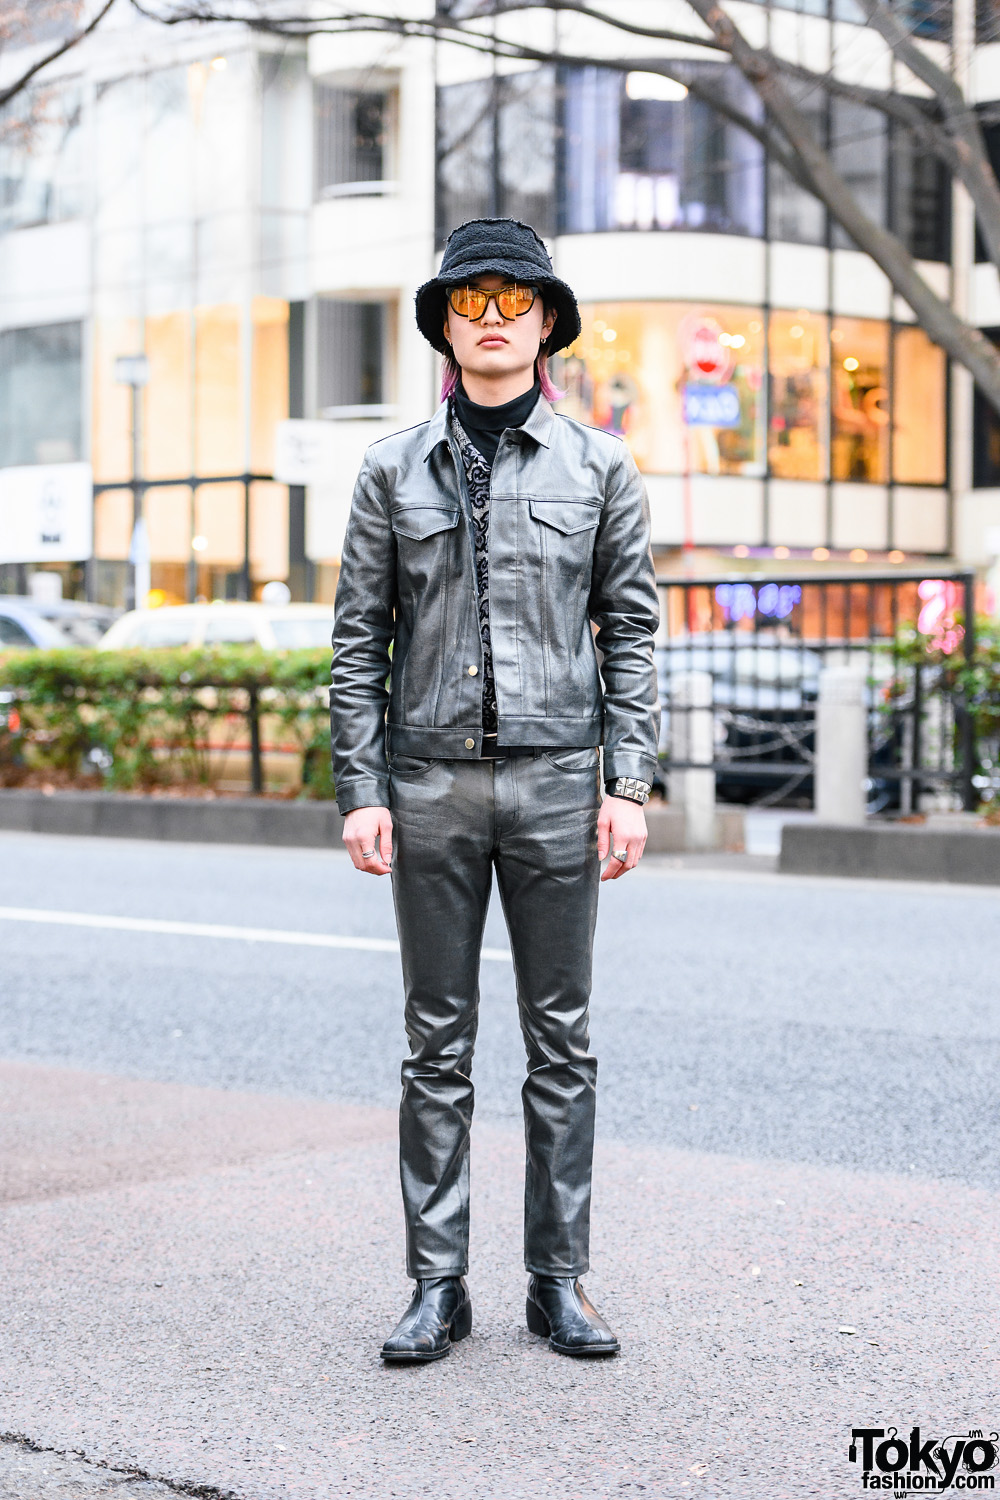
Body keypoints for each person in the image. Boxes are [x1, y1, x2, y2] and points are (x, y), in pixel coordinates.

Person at [329, 217, 659, 1363]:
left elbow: (632, 637)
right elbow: (357, 641)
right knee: (436, 1044)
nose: (491, 321)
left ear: (546, 323)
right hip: (426, 785)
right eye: (469, 303)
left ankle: (557, 1280)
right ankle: (436, 1282)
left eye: (512, 302)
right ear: (446, 326)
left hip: (563, 782)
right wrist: (360, 789)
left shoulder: (600, 466)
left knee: (559, 1041)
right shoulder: (388, 469)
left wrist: (627, 781)